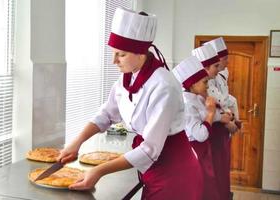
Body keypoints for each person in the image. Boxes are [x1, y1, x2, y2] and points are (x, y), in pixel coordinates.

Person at [57, 7, 203, 199]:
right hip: (152, 169)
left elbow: (150, 149)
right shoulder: (126, 78)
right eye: (113, 53)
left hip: (174, 172)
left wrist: (99, 170)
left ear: (141, 53)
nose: (113, 61)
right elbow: (106, 115)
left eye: (121, 54)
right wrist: (76, 143)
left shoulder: (163, 85)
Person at [172, 56, 221, 200]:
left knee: (209, 187)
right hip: (195, 152)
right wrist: (211, 113)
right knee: (201, 190)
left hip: (203, 151)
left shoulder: (197, 98)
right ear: (192, 84)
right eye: (205, 82)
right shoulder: (187, 104)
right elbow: (200, 134)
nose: (207, 85)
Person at [192, 43, 234, 200]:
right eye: (216, 65)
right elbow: (211, 110)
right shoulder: (198, 90)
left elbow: (224, 103)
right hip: (208, 136)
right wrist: (222, 118)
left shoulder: (215, 80)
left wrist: (229, 118)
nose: (220, 67)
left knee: (219, 172)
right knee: (211, 178)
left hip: (215, 133)